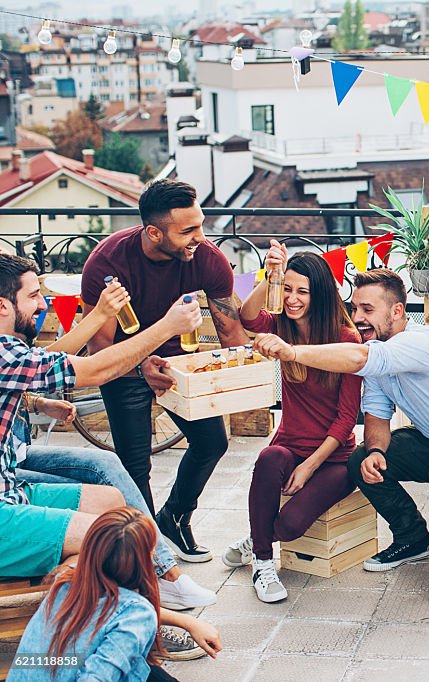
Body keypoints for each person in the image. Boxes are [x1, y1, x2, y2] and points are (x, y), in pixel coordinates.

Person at [253, 268, 429, 572]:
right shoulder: (378, 354)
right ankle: (413, 539)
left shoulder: (421, 342)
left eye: (368, 309)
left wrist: (292, 352)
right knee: (360, 458)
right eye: (354, 308)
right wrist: (376, 452)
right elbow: (377, 418)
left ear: (397, 311)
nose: (358, 317)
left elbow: (360, 359)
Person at [12, 277, 217, 632]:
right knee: (116, 537)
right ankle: (149, 618)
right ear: (3, 305)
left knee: (111, 496)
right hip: (8, 486)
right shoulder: (4, 352)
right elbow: (94, 370)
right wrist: (167, 326)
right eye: (33, 296)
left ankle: (158, 583)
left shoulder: (8, 349)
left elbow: (34, 369)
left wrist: (40, 402)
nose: (43, 305)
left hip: (9, 476)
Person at [81, 178, 250, 563]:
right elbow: (99, 347)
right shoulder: (107, 264)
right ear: (154, 232)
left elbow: (230, 329)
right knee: (134, 465)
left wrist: (249, 377)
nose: (200, 237)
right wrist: (141, 368)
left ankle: (174, 517)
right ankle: (145, 551)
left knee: (212, 443)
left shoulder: (207, 257)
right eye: (188, 230)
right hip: (123, 367)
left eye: (202, 225)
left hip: (181, 365)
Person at [222, 246, 363, 603]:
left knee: (289, 526)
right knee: (269, 458)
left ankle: (257, 537)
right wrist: (270, 275)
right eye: (287, 289)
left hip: (333, 456)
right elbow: (248, 316)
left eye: (302, 291)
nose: (292, 299)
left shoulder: (346, 339)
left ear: (320, 294)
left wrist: (309, 467)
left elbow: (347, 418)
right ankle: (263, 562)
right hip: (289, 444)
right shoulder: (280, 326)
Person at [13, 507, 222, 682]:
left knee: (147, 670)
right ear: (145, 559)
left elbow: (114, 610)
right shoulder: (136, 614)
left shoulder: (67, 584)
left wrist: (188, 622)